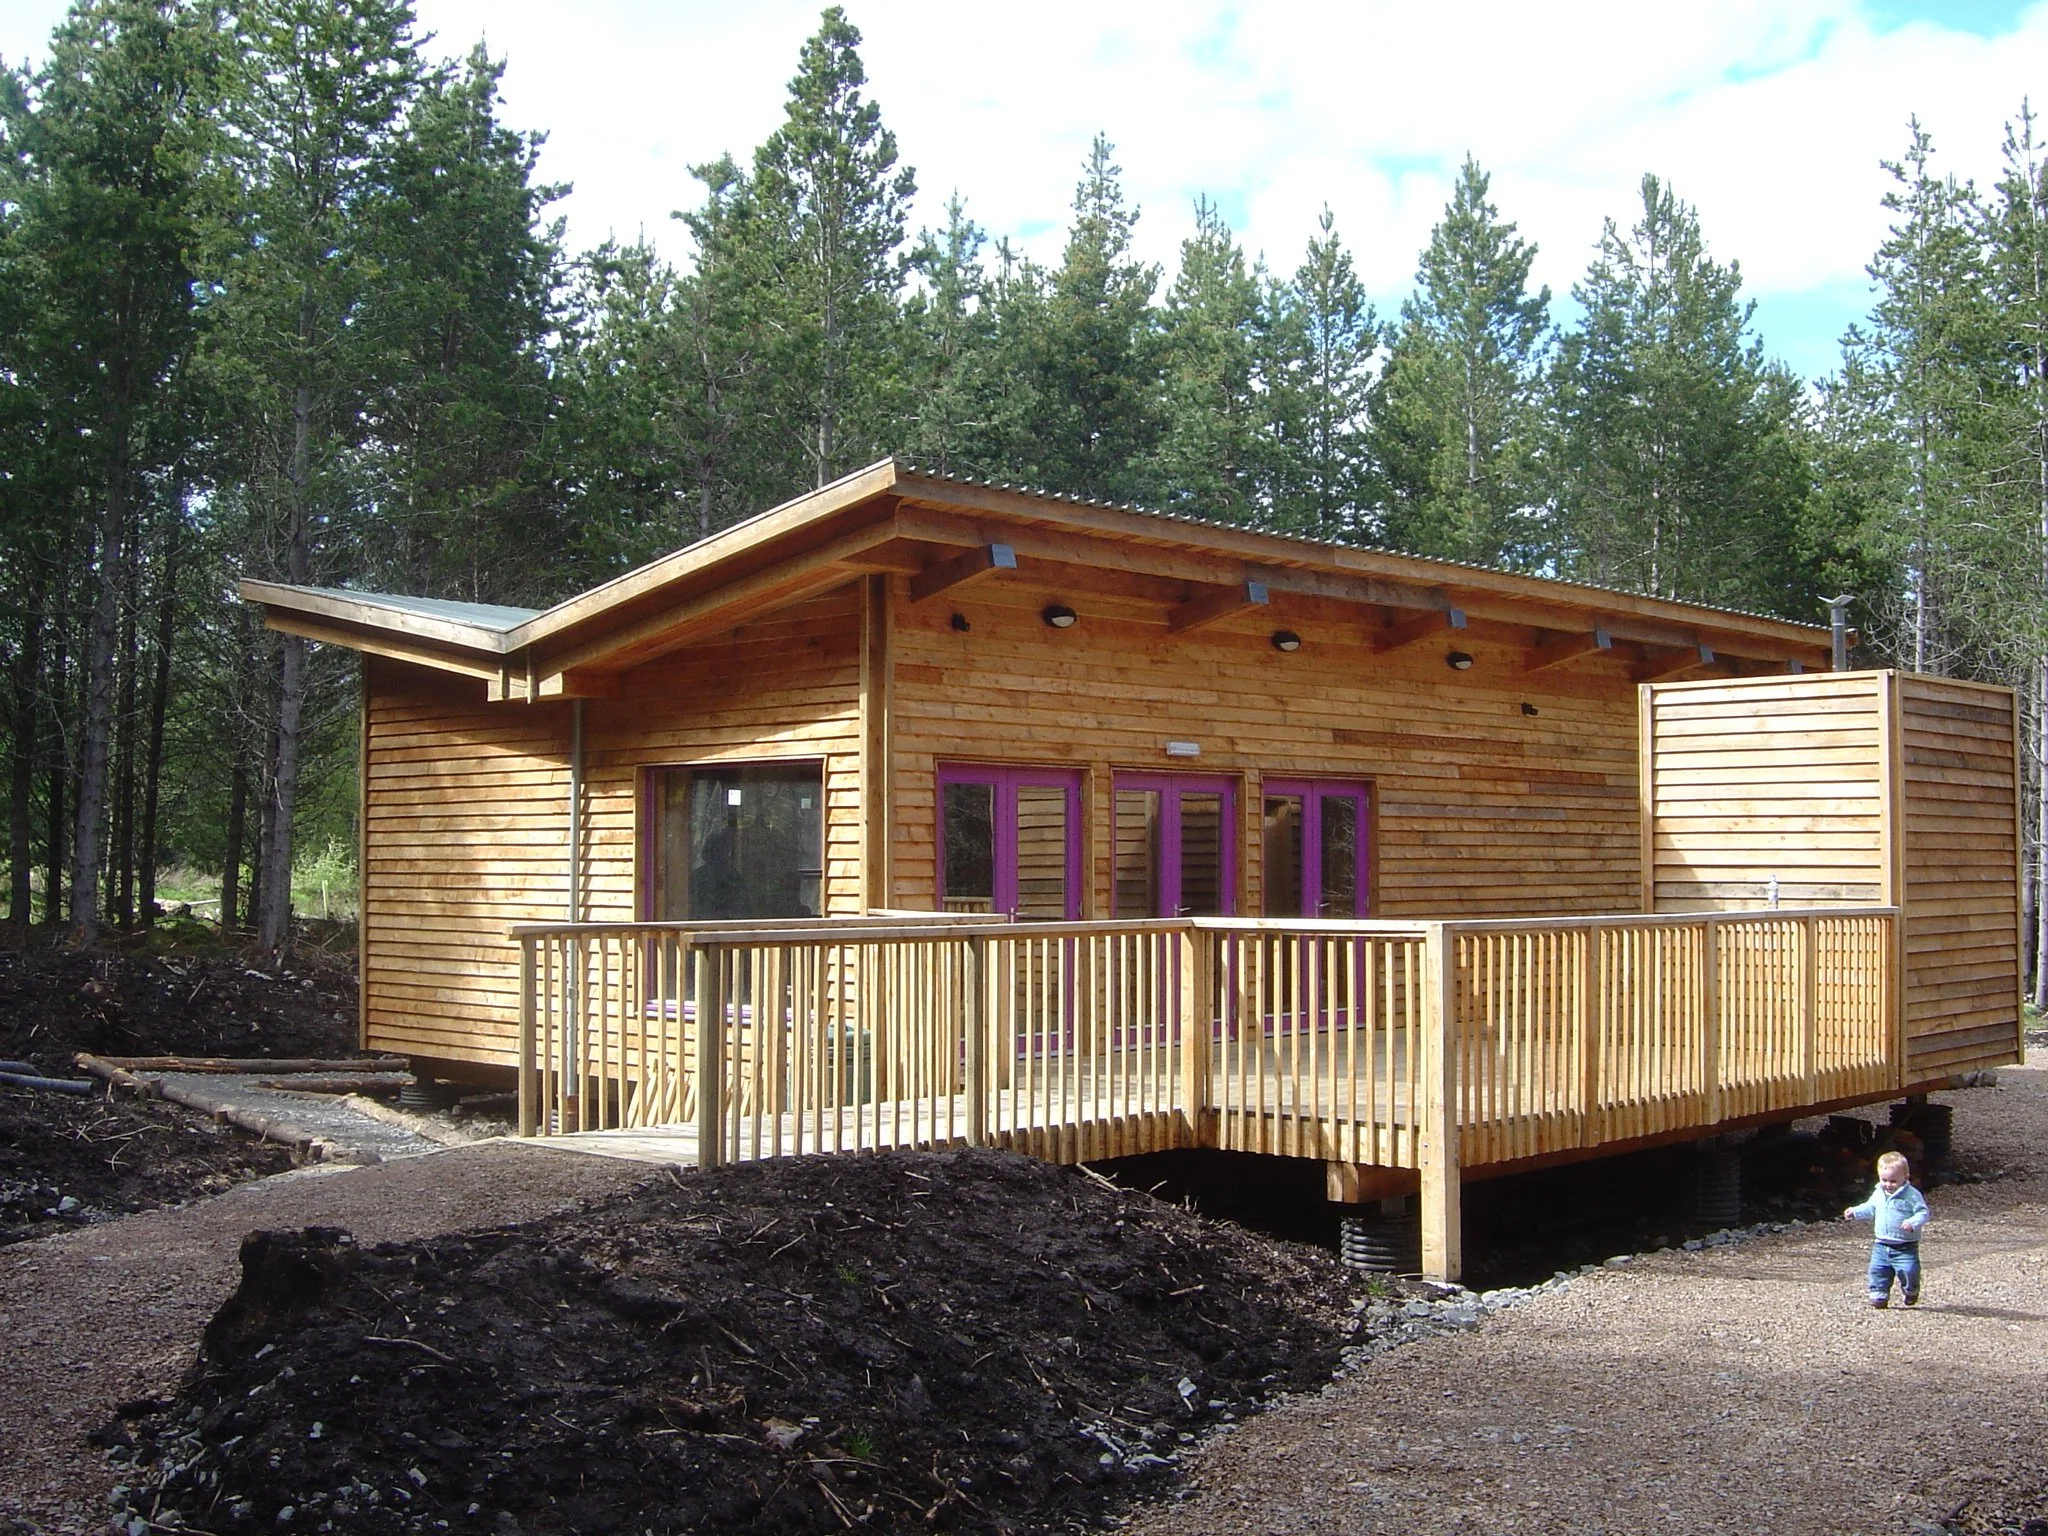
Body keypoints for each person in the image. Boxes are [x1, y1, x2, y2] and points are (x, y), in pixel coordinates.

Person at [1843, 1150, 1930, 1308]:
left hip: (1905, 1245)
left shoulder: (1912, 1195)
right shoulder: (1878, 1193)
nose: (1888, 1184)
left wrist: (1913, 1222)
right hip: (1881, 1243)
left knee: (1909, 1270)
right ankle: (1879, 1294)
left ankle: (1911, 1289)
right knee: (1878, 1270)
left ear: (1906, 1177)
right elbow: (1870, 1208)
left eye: (1893, 1181)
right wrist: (1855, 1212)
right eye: (1884, 1180)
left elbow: (1923, 1212)